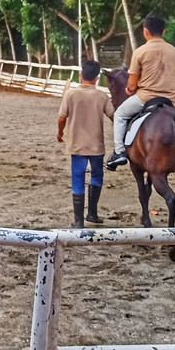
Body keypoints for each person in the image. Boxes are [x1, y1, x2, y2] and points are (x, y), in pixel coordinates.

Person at [105, 15, 175, 170]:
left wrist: (128, 89)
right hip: (172, 100)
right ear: (164, 32)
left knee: (120, 114)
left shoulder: (140, 51)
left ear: (145, 32)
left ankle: (119, 153)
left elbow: (132, 84)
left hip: (146, 98)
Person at [57, 59, 115, 228]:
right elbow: (113, 117)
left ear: (81, 75)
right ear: (97, 78)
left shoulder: (71, 94)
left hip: (77, 144)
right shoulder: (102, 96)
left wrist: (60, 132)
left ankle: (78, 221)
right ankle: (92, 213)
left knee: (78, 179)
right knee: (97, 177)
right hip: (96, 145)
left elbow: (62, 118)